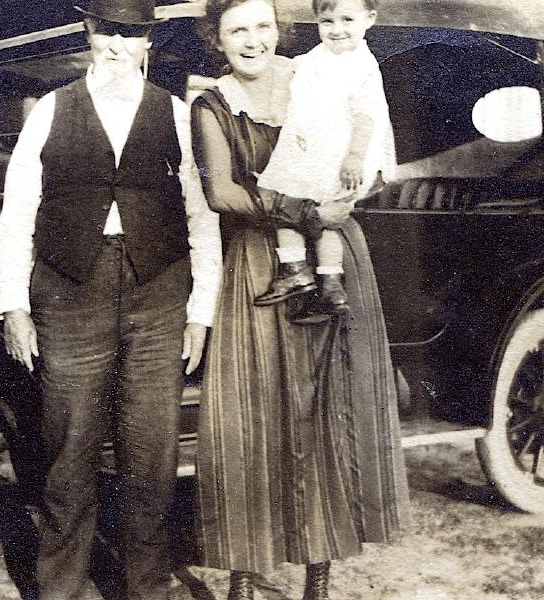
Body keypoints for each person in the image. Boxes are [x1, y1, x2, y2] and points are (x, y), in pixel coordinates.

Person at [0, 0, 222, 598]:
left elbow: (202, 219)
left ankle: (147, 586)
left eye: (132, 34)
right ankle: (62, 587)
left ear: (148, 41)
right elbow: (19, 212)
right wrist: (13, 304)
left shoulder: (176, 115)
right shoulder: (52, 110)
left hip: (159, 292)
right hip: (69, 291)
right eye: (108, 33)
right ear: (89, 32)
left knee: (151, 450)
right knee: (69, 446)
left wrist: (200, 312)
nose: (118, 46)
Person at [191, 1, 411, 599]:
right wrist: (306, 211)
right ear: (218, 39)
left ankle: (320, 573)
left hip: (333, 257)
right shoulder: (212, 105)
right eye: (237, 30)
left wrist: (351, 189)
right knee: (250, 413)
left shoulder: (320, 71)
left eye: (263, 26)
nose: (253, 40)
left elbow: (372, 147)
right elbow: (222, 193)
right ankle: (243, 574)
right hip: (260, 262)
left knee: (328, 407)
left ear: (279, 30)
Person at [253, 0, 395, 316]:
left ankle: (300, 271)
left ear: (369, 19)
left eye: (347, 20)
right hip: (313, 149)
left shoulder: (362, 66)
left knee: (290, 206)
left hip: (338, 157)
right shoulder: (320, 56)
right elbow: (302, 73)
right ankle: (328, 282)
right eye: (327, 21)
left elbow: (366, 116)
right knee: (311, 216)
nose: (337, 29)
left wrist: (354, 157)